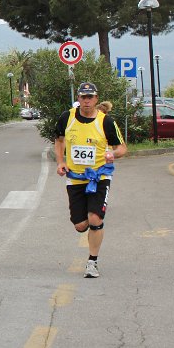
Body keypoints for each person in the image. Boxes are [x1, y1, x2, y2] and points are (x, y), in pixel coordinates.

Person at [54, 82, 126, 279]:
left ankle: (92, 262)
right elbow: (59, 140)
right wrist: (61, 161)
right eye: (83, 97)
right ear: (78, 98)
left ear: (96, 99)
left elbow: (122, 148)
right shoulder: (67, 118)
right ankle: (88, 223)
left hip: (99, 176)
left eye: (90, 97)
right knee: (80, 225)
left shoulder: (106, 122)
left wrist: (113, 154)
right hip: (75, 178)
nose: (86, 101)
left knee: (95, 218)